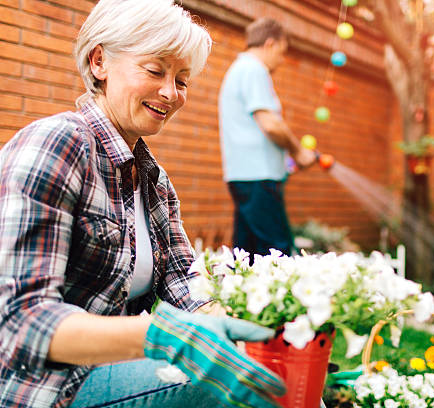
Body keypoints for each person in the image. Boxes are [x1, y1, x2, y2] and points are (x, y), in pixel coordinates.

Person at [0, 1, 285, 407]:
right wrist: (160, 336)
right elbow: (19, 322)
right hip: (46, 389)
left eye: (182, 80)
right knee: (227, 393)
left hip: (115, 370)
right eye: (155, 70)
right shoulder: (56, 146)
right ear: (100, 61)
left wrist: (267, 343)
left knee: (275, 376)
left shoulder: (154, 181)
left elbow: (187, 286)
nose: (170, 92)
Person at [218, 17, 317, 258]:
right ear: (270, 44)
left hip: (243, 176)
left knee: (246, 257)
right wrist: (298, 151)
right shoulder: (254, 69)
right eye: (282, 53)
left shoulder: (238, 70)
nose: (281, 61)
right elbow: (271, 125)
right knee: (277, 255)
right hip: (259, 179)